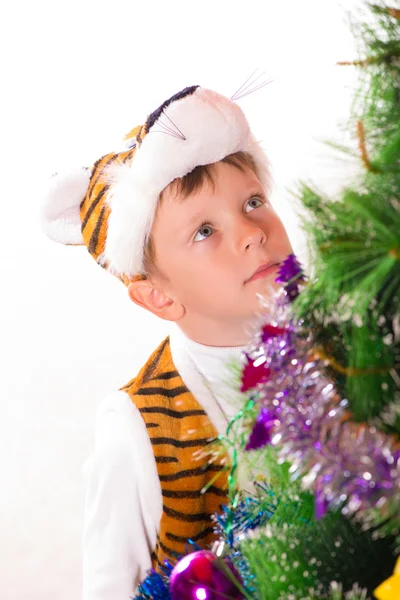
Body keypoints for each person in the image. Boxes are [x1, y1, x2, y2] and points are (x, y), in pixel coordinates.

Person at [41, 85, 293, 600]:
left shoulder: (345, 350)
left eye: (253, 201)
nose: (251, 231)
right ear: (158, 298)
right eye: (205, 230)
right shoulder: (135, 429)